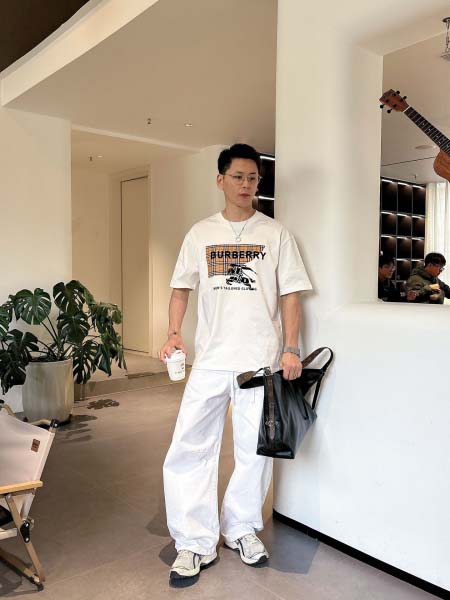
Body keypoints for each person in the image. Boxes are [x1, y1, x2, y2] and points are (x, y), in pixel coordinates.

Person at [160, 143, 312, 588]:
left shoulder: (276, 234)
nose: (246, 185)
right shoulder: (200, 233)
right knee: (189, 447)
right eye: (238, 177)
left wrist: (291, 348)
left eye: (252, 178)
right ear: (220, 179)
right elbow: (181, 289)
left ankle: (241, 528)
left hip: (258, 363)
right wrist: (173, 333)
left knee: (254, 451)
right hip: (210, 360)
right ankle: (194, 540)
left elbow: (291, 294)